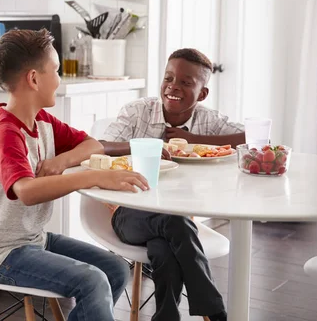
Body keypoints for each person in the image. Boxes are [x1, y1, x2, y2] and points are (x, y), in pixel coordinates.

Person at [0, 29, 147, 321]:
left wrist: (62, 160)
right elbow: (27, 191)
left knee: (115, 268)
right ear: (34, 79)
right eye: (57, 71)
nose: (60, 79)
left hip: (32, 239)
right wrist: (93, 177)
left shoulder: (42, 121)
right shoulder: (5, 133)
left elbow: (91, 144)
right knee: (92, 281)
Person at [100, 48, 244, 321]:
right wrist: (149, 147)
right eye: (168, 78)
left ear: (202, 93)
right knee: (174, 223)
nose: (173, 87)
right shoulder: (138, 111)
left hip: (177, 221)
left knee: (164, 248)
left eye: (186, 82)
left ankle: (165, 317)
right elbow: (102, 146)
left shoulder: (207, 119)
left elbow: (250, 137)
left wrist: (195, 140)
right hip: (128, 212)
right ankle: (215, 310)